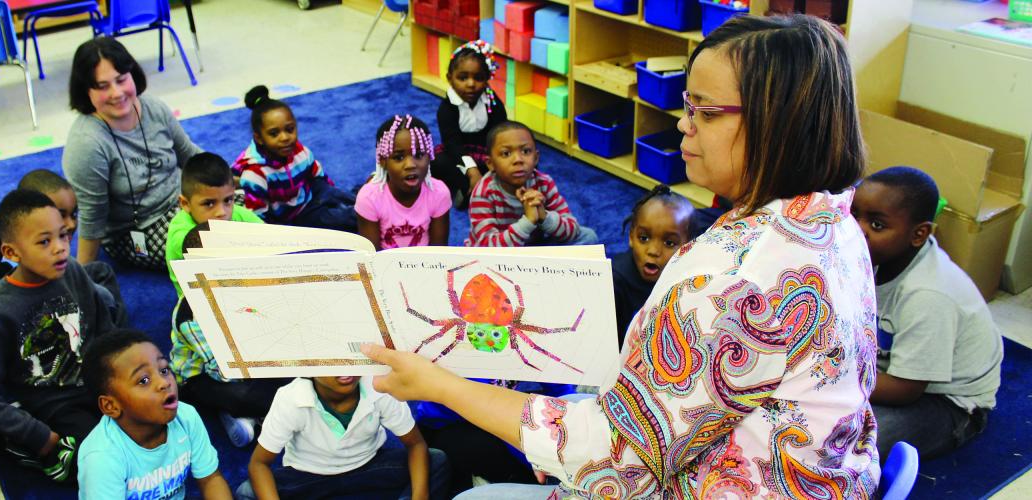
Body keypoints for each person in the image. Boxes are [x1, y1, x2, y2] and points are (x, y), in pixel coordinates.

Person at [364, 14, 880, 498]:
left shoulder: (729, 282)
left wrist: (441, 386)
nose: (683, 124)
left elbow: (614, 455)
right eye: (686, 104)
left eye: (704, 110)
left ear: (776, 123)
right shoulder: (834, 221)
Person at [0, 189, 116, 483]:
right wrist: (37, 436)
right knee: (104, 465)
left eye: (64, 236)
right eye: (44, 241)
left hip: (94, 382)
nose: (60, 248)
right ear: (12, 253)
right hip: (53, 405)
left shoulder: (74, 272)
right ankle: (11, 442)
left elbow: (104, 331)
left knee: (156, 423)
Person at [852, 166, 1003, 460]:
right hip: (886, 367)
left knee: (845, 441)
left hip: (945, 402)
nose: (859, 230)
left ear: (918, 234)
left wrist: (830, 380)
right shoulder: (876, 253)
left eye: (877, 225)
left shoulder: (928, 294)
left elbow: (906, 390)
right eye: (853, 215)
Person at [0, 169, 127, 366]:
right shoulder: (10, 267)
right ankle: (119, 340)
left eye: (74, 214)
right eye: (61, 215)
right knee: (101, 288)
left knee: (99, 272)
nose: (71, 224)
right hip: (39, 309)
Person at [63, 37, 203, 271]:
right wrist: (82, 275)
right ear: (85, 91)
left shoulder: (152, 107)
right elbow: (92, 215)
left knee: (253, 199)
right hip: (138, 230)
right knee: (209, 245)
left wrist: (234, 179)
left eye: (121, 80)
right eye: (102, 86)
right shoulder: (86, 144)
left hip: (184, 201)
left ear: (132, 74)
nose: (116, 93)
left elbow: (189, 155)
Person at [170, 223, 289, 448]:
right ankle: (237, 412)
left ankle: (254, 416)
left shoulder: (237, 290)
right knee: (253, 396)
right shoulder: (191, 319)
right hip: (203, 377)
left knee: (294, 378)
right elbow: (224, 372)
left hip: (245, 357)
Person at [78, 329, 233, 499]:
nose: (163, 383)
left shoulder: (186, 417)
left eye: (164, 370)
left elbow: (211, 479)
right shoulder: (101, 458)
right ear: (111, 406)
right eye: (143, 380)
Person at [237, 376, 449, 499]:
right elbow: (259, 464)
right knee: (247, 493)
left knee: (436, 461)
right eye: (331, 361)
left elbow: (415, 444)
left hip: (368, 467)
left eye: (349, 356)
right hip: (309, 476)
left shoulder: (378, 386)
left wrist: (419, 497)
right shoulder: (290, 398)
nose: (345, 369)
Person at [233, 85, 357, 232]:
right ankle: (365, 213)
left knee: (338, 194)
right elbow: (258, 216)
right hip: (296, 215)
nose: (285, 138)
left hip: (307, 191)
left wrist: (329, 191)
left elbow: (316, 172)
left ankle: (365, 196)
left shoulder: (298, 150)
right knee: (341, 218)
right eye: (274, 134)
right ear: (259, 138)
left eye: (290, 129)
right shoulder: (255, 174)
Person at [465, 121, 597, 247]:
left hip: (535, 246)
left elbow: (572, 229)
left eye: (526, 151)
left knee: (589, 237)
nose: (518, 160)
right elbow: (488, 247)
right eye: (506, 153)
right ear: (490, 164)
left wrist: (543, 216)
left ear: (536, 158)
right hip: (501, 253)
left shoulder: (544, 183)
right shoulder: (483, 193)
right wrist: (528, 222)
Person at [167, 152, 263, 296]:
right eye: (209, 203)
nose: (221, 212)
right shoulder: (181, 235)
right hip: (199, 301)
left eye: (228, 200)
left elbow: (265, 232)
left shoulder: (237, 213)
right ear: (185, 204)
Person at [611, 185, 697, 344]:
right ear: (631, 237)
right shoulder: (614, 281)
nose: (653, 251)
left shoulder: (689, 278)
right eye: (643, 238)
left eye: (669, 242)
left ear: (688, 246)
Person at [356, 114, 451, 250]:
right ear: (383, 161)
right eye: (399, 157)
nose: (410, 165)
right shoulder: (368, 198)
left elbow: (439, 251)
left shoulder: (439, 193)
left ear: (429, 156)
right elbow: (371, 256)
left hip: (426, 266)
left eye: (419, 155)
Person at [431, 40, 508, 207]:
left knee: (518, 159)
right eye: (463, 78)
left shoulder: (492, 102)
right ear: (450, 78)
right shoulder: (447, 109)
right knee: (437, 162)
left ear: (488, 78)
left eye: (478, 78)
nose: (471, 84)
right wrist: (471, 170)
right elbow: (452, 144)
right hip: (460, 155)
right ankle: (471, 187)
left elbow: (501, 133)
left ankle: (478, 189)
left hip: (487, 154)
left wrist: (497, 160)